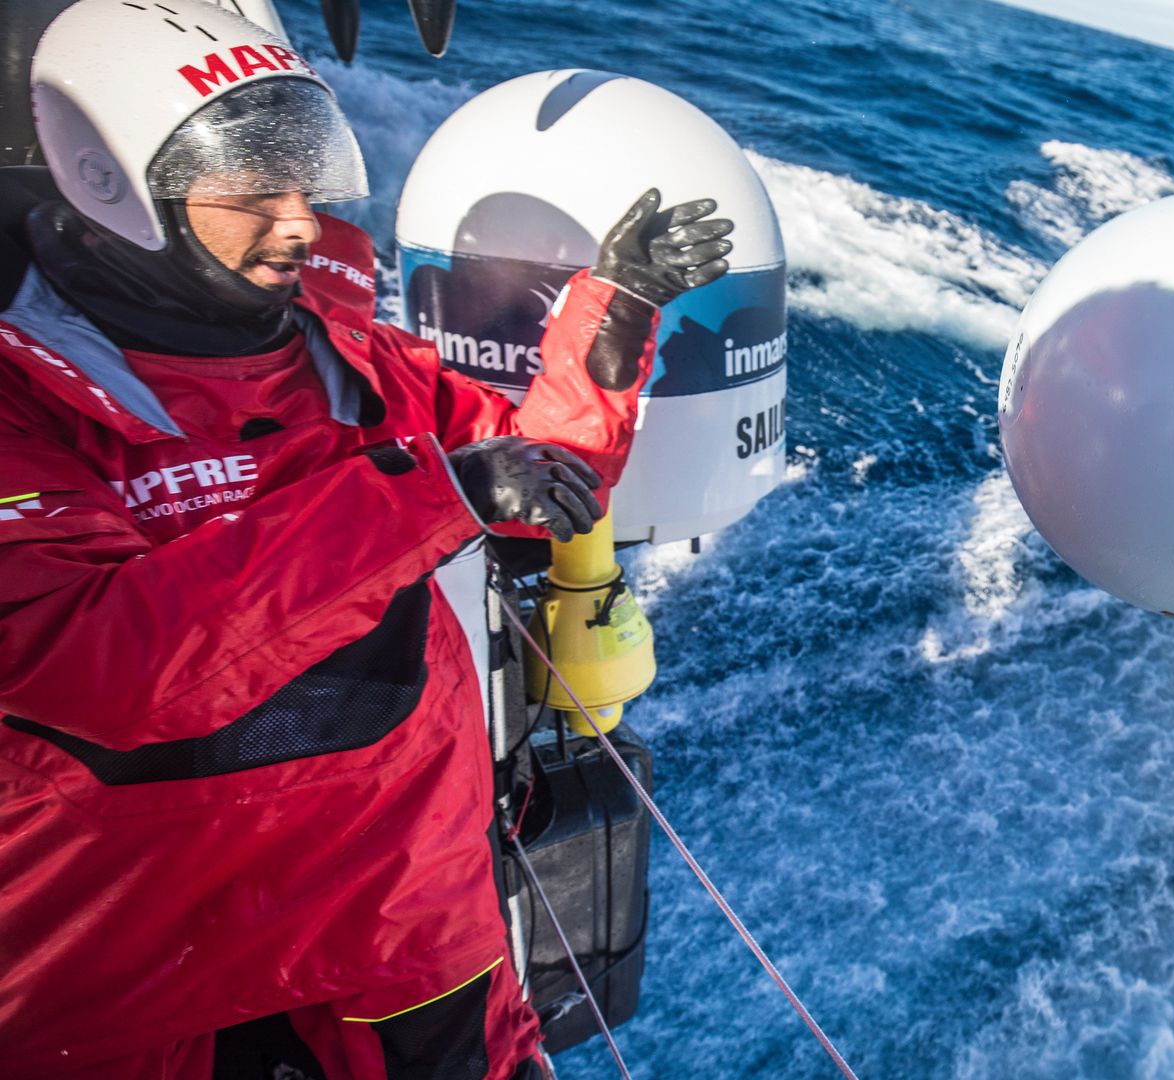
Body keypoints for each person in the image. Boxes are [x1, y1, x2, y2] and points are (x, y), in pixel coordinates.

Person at [0, 1, 732, 1075]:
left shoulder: (350, 366)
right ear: (112, 184)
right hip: (142, 977)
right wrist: (424, 496)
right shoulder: (26, 403)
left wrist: (620, 305)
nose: (299, 225)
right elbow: (96, 661)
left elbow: (541, 474)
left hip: (406, 937)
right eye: (254, 187)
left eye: (308, 181)